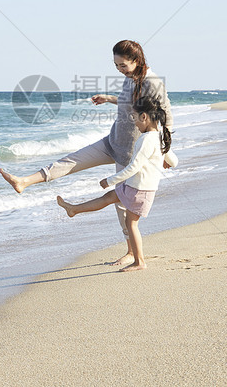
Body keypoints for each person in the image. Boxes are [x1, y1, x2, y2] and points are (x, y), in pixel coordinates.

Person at [0, 40, 176, 265]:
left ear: (137, 60)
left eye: (123, 65)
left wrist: (163, 152)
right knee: (72, 160)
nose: (120, 70)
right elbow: (130, 102)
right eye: (116, 66)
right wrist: (109, 98)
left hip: (132, 152)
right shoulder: (130, 78)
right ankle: (23, 181)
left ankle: (132, 253)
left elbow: (166, 115)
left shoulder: (153, 82)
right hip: (113, 141)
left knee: (123, 208)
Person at [56, 97, 177, 272]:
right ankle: (73, 209)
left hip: (139, 189)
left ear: (144, 117)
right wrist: (164, 159)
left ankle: (139, 262)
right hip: (136, 187)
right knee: (108, 198)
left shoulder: (146, 140)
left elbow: (134, 167)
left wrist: (110, 180)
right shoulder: (159, 137)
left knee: (131, 224)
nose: (134, 123)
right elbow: (174, 161)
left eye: (135, 118)